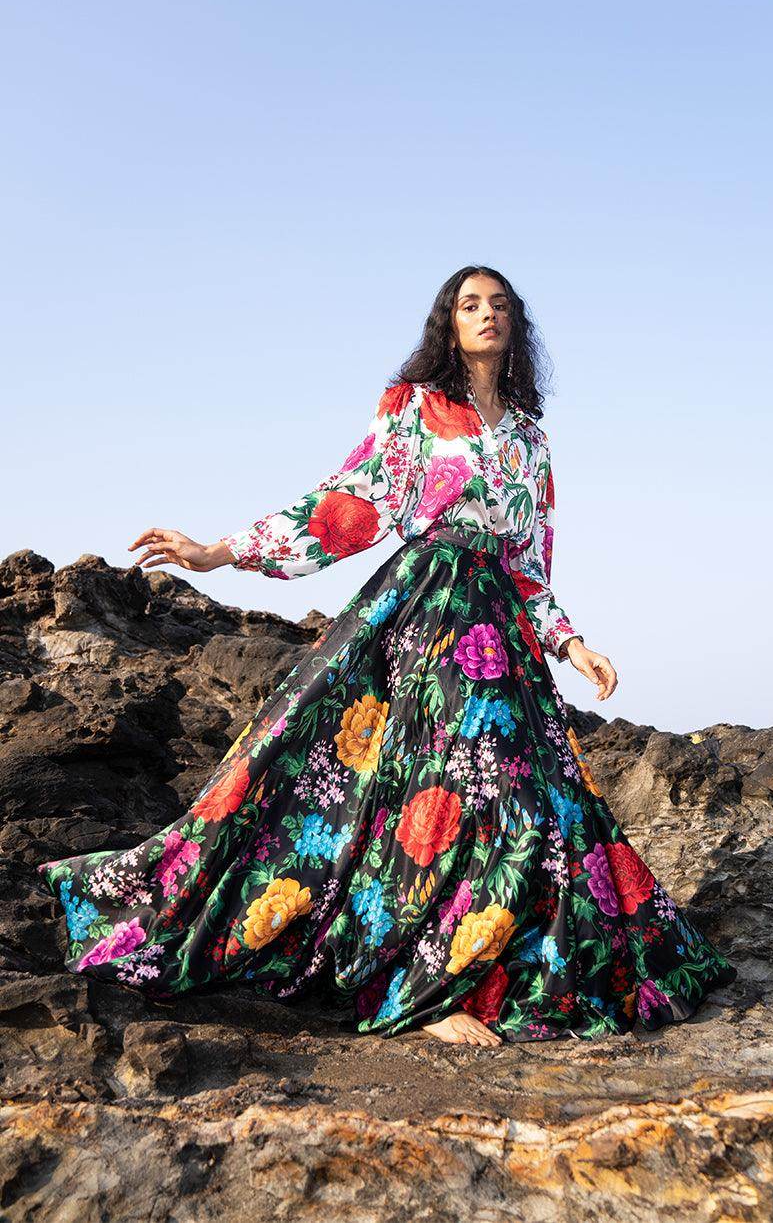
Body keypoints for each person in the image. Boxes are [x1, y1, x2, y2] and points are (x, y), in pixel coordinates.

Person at [36, 265, 736, 1048]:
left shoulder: (531, 439)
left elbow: (528, 564)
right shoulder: (414, 406)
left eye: (499, 304)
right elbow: (345, 506)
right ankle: (425, 990)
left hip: (499, 629)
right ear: (448, 323)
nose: (486, 314)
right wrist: (217, 551)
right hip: (427, 613)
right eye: (469, 304)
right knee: (443, 795)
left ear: (515, 324)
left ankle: (483, 969)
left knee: (523, 801)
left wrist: (572, 644)